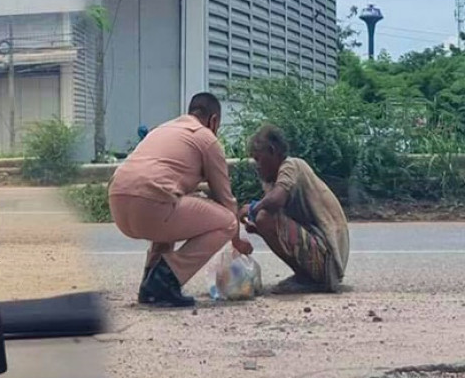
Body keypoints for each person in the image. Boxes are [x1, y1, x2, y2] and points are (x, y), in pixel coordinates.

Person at [108, 92, 253, 307]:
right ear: (214, 121)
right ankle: (165, 279)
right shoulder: (206, 137)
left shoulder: (163, 129)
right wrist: (237, 241)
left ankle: (149, 283)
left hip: (118, 204)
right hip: (151, 205)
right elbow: (227, 200)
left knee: (172, 201)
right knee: (227, 222)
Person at [239, 124, 350, 294]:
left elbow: (276, 200)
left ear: (272, 151)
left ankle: (309, 280)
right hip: (320, 254)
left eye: (258, 159)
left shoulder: (291, 165)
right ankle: (304, 277)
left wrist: (253, 207)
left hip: (328, 259)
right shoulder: (272, 180)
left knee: (263, 217)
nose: (257, 166)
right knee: (263, 221)